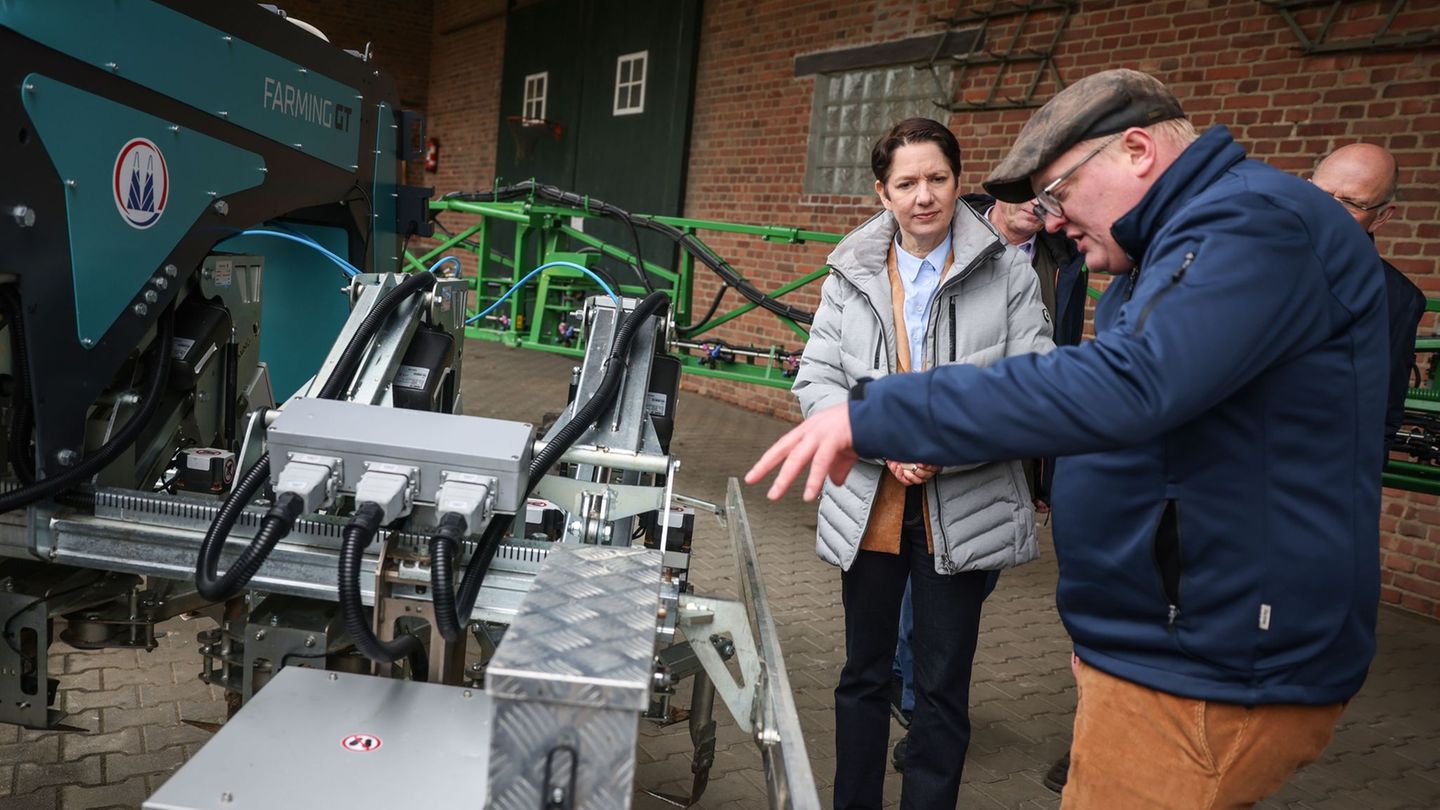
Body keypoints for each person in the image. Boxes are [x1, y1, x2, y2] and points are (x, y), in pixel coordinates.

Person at [748, 69, 1387, 808]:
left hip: (1208, 658)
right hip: (1162, 645)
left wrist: (883, 413)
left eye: (1059, 194)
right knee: (868, 671)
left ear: (1137, 150)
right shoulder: (1173, 249)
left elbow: (1118, 385)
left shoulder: (1250, 226)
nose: (1050, 221)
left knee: (940, 682)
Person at [792, 117, 1052, 809]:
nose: (924, 196)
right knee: (863, 675)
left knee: (941, 685)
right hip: (872, 505)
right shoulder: (850, 273)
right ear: (883, 193)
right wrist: (882, 438)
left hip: (960, 511)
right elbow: (816, 381)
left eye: (937, 178)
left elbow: (1036, 387)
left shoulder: (1006, 271)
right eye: (906, 183)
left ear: (958, 183)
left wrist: (944, 443)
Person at [889, 192, 1081, 766]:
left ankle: (925, 691)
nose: (1037, 207)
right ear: (998, 191)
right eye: (1027, 194)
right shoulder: (957, 239)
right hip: (933, 439)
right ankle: (915, 697)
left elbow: (1053, 363)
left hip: (1012, 445)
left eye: (1051, 197)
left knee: (974, 573)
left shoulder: (1061, 257)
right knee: (927, 570)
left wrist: (1044, 472)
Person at [1311, 143, 1426, 451]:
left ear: (1380, 217)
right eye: (1321, 196)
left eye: (1351, 204)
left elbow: (1379, 416)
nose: (1328, 212)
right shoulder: (1246, 253)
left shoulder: (1397, 298)